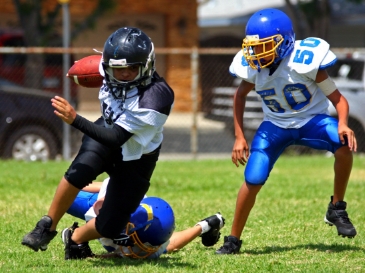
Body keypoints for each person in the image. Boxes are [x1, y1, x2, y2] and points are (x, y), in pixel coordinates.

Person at [21, 27, 175, 258]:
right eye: (117, 69)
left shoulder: (156, 96)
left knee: (111, 225)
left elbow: (117, 139)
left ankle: (74, 238)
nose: (124, 74)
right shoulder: (106, 68)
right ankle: (46, 226)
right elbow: (89, 71)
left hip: (136, 153)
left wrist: (75, 119)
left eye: (132, 68)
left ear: (147, 65)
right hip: (107, 127)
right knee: (79, 170)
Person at [215, 8, 358, 255]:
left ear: (285, 42)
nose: (256, 53)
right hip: (275, 126)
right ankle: (233, 240)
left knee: (343, 145)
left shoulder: (305, 62)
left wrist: (343, 123)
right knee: (254, 178)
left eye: (264, 46)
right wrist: (240, 136)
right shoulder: (254, 68)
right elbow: (239, 97)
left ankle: (337, 207)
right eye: (254, 47)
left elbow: (339, 100)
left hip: (312, 121)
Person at [64, 177, 225, 259]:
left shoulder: (156, 240)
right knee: (67, 196)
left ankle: (208, 224)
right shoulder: (118, 204)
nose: (142, 249)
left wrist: (202, 226)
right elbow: (95, 225)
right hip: (102, 199)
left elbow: (171, 245)